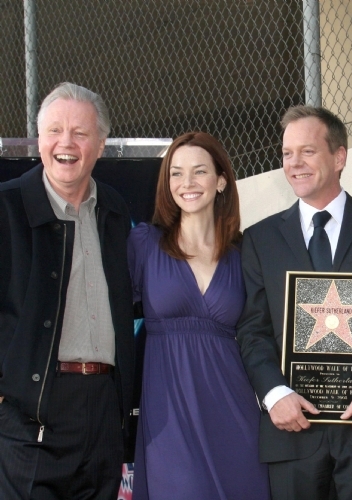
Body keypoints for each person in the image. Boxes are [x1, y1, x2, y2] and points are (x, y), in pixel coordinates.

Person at [236, 106, 352, 500]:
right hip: (292, 429)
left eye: (307, 151)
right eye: (287, 153)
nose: (294, 164)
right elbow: (252, 329)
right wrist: (274, 395)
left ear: (339, 157)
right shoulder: (259, 240)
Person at [0, 82, 135, 499]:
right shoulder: (5, 208)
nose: (66, 143)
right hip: (29, 413)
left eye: (80, 132)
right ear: (38, 140)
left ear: (100, 143)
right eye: (55, 130)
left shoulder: (114, 209)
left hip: (103, 411)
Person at [127, 132, 270, 500]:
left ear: (221, 180)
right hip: (168, 414)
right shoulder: (144, 245)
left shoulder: (246, 254)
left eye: (199, 172)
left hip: (233, 411)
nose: (186, 183)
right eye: (176, 173)